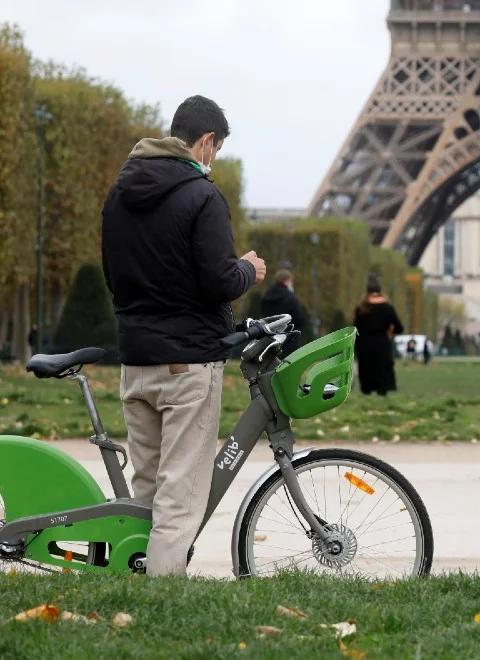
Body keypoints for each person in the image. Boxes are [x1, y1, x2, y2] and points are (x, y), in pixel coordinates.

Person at [101, 95, 266, 576]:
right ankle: (163, 600)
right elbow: (218, 281)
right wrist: (246, 269)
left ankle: (132, 583)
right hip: (186, 363)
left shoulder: (120, 192)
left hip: (136, 361)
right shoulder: (203, 195)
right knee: (179, 497)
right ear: (207, 141)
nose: (213, 161)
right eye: (216, 150)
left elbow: (114, 275)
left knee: (148, 490)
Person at [353, 277, 404, 395]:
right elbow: (399, 327)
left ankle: (366, 391)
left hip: (365, 343)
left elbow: (356, 328)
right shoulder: (387, 307)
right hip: (382, 343)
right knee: (382, 370)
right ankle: (383, 391)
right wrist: (390, 333)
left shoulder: (361, 308)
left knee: (366, 369)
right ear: (380, 290)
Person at [259, 269, 308, 357]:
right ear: (287, 281)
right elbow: (299, 319)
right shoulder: (290, 297)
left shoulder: (266, 297)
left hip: (269, 338)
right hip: (288, 339)